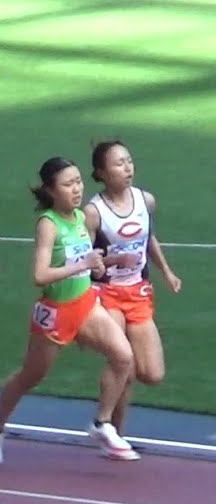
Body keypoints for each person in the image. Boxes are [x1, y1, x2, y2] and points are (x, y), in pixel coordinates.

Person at [0, 157, 137, 464]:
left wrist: (110, 262)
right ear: (51, 191)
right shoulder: (48, 224)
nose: (77, 189)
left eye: (79, 181)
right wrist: (82, 264)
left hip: (85, 304)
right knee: (31, 376)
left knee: (123, 356)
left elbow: (86, 267)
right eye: (68, 184)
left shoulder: (80, 217)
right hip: (55, 311)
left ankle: (101, 424)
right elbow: (39, 275)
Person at [83, 139, 181, 434]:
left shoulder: (145, 200)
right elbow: (87, 261)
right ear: (101, 172)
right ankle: (111, 431)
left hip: (138, 291)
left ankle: (110, 426)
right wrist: (113, 259)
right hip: (106, 293)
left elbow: (148, 238)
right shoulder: (94, 212)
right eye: (118, 163)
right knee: (120, 358)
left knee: (151, 373)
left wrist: (166, 271)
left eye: (129, 161)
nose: (127, 168)